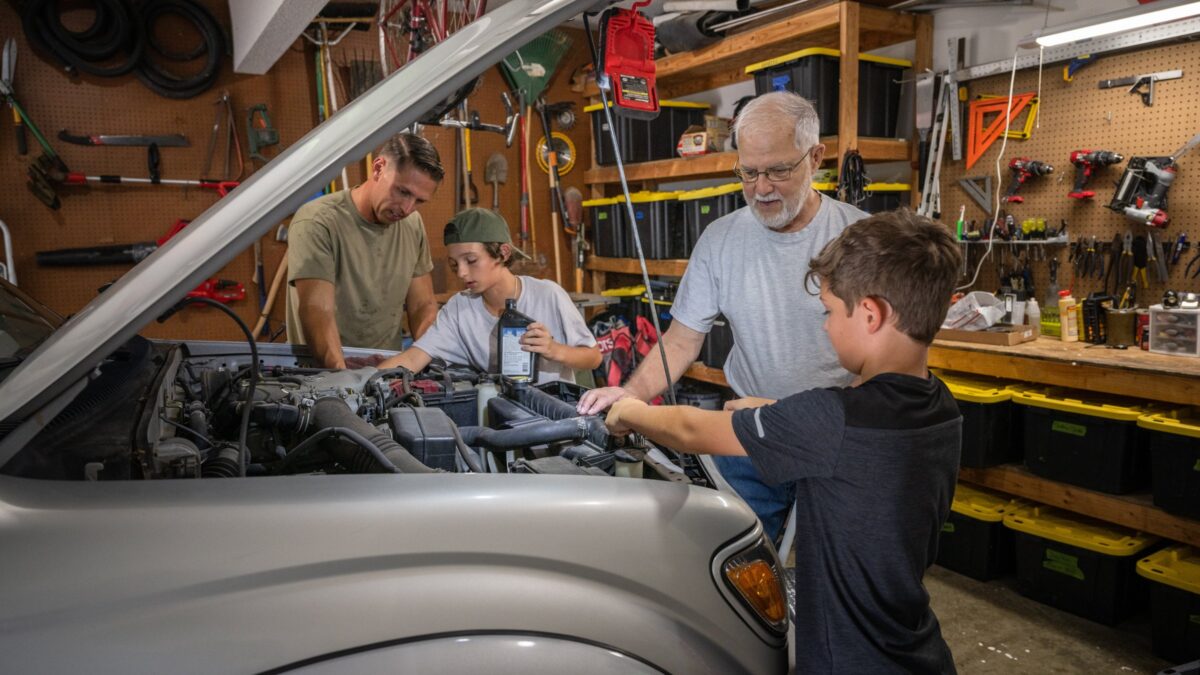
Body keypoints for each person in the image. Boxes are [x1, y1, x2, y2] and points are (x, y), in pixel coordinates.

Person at [605, 209, 963, 674]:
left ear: (871, 314)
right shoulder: (940, 405)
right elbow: (851, 437)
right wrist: (771, 412)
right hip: (914, 648)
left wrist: (629, 408)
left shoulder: (827, 421)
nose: (825, 326)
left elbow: (692, 431)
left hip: (846, 660)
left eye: (830, 312)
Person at [577, 91, 868, 538]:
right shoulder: (720, 239)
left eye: (778, 170)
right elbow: (680, 340)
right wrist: (631, 396)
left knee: (828, 575)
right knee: (742, 567)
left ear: (816, 157)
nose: (762, 188)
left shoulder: (859, 239)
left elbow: (886, 362)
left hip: (837, 441)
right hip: (749, 440)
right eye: (748, 172)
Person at [377, 208, 601, 382]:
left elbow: (593, 357)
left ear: (502, 253)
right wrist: (360, 382)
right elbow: (414, 357)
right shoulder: (459, 308)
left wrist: (554, 350)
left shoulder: (548, 295)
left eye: (471, 260)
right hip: (498, 417)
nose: (462, 273)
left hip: (555, 416)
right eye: (455, 264)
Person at [286, 132, 444, 369]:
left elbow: (422, 305)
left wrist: (429, 358)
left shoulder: (412, 224)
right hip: (321, 372)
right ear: (379, 168)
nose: (408, 208)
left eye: (419, 201)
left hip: (384, 372)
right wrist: (343, 379)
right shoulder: (318, 221)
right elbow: (318, 310)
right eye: (402, 192)